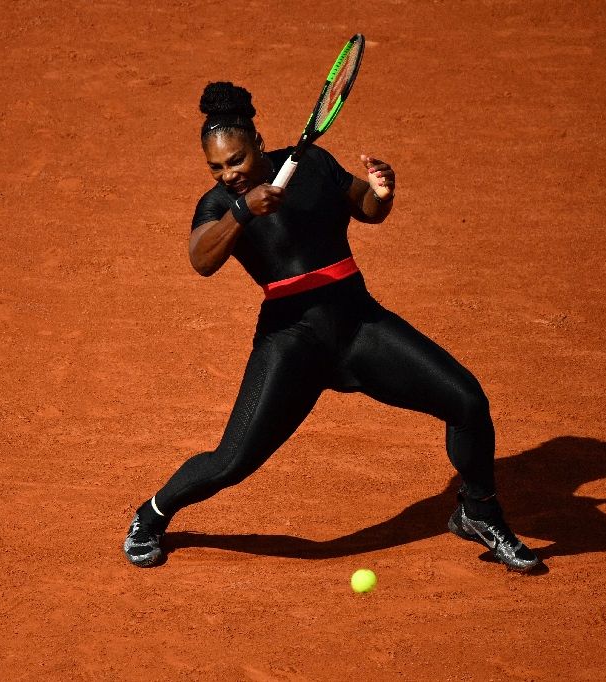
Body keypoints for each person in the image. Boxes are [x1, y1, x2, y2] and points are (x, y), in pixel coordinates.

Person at [124, 81, 540, 572]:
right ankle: (151, 515)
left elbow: (365, 206)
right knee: (231, 461)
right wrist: (243, 209)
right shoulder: (218, 205)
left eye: (236, 161)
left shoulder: (313, 164)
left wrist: (382, 192)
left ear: (258, 144)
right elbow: (201, 259)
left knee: (467, 401)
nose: (228, 174)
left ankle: (478, 511)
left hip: (359, 328)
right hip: (292, 345)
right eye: (216, 167)